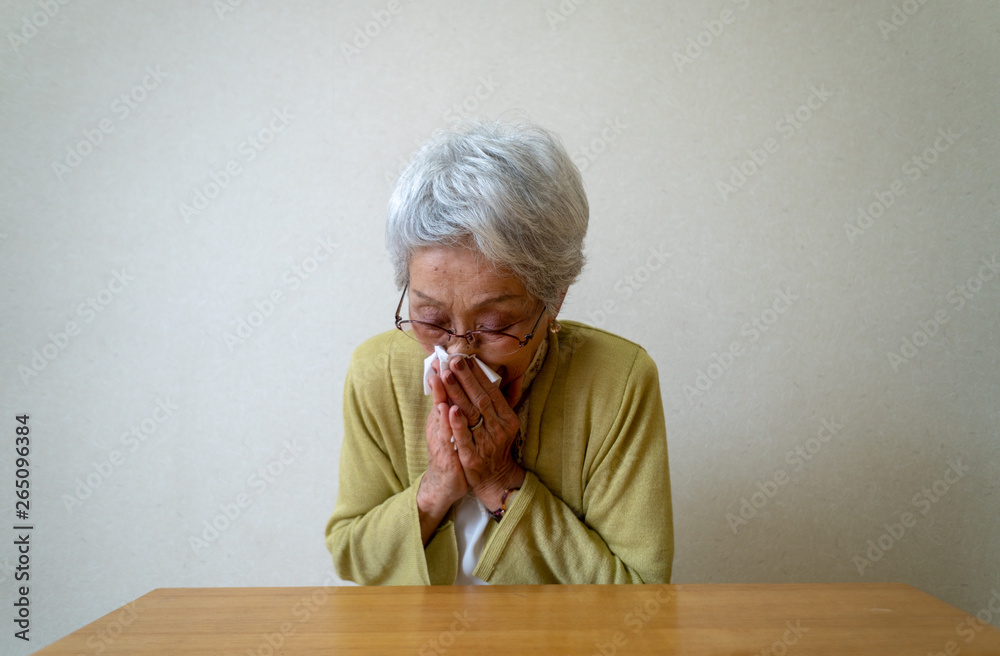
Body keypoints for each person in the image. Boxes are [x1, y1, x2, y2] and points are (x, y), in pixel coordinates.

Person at [325, 120, 673, 585]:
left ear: (553, 301)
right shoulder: (377, 371)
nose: (456, 353)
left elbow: (639, 592)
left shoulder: (618, 381)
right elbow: (352, 556)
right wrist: (436, 487)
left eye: (493, 325)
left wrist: (499, 479)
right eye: (431, 319)